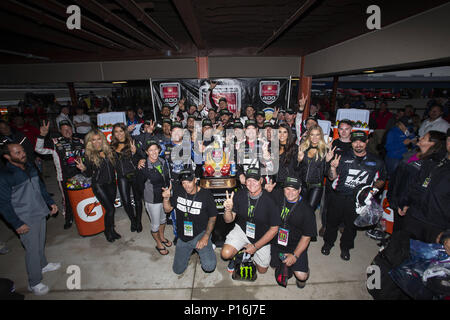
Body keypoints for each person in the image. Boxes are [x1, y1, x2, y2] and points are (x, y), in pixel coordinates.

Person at [0, 143, 59, 296]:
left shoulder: (29, 167)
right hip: (24, 217)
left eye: (23, 151)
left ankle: (43, 264)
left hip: (39, 210)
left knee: (40, 242)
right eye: (17, 152)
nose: (22, 154)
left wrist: (50, 202)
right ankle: (34, 282)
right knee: (32, 250)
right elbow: (3, 204)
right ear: (7, 156)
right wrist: (17, 223)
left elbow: (41, 187)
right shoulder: (5, 175)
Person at [322, 131, 386, 261]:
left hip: (357, 201)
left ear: (366, 142)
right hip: (339, 196)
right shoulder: (342, 157)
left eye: (361, 141)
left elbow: (381, 179)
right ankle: (328, 243)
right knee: (331, 223)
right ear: (351, 143)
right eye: (355, 141)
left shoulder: (376, 161)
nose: (358, 144)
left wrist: (372, 190)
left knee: (351, 226)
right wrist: (333, 168)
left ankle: (345, 248)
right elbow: (331, 177)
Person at [221, 168, 281, 276]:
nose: (251, 183)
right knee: (225, 253)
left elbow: (274, 229)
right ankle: (238, 256)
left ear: (261, 181)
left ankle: (250, 251)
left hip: (261, 235)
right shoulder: (240, 194)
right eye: (249, 180)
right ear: (245, 181)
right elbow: (228, 220)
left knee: (262, 271)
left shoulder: (270, 201)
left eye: (255, 180)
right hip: (243, 230)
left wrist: (256, 246)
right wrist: (228, 210)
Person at [162, 169, 218, 274]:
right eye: (184, 183)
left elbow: (213, 216)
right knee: (177, 270)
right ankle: (189, 250)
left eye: (189, 182)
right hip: (183, 235)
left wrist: (206, 237)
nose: (186, 186)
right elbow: (167, 209)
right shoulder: (178, 190)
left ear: (195, 180)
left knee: (209, 266)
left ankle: (207, 247)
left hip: (200, 234)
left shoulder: (206, 195)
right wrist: (166, 199)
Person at [35, 120, 84, 229]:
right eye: (64, 129)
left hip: (81, 175)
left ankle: (81, 215)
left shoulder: (80, 141)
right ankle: (68, 218)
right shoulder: (55, 142)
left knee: (81, 196)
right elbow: (38, 149)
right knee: (67, 199)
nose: (67, 131)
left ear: (72, 129)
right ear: (60, 131)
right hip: (64, 177)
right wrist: (42, 136)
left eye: (69, 129)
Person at [269, 176, 317, 288]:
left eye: (294, 190)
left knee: (301, 276)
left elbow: (307, 237)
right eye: (287, 189)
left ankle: (303, 271)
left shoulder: (307, 211)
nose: (290, 193)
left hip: (295, 245)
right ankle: (286, 265)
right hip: (277, 242)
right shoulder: (277, 195)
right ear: (283, 189)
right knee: (273, 266)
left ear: (299, 190)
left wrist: (295, 256)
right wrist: (266, 189)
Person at [75, 130, 118, 243]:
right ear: (90, 142)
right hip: (99, 185)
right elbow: (89, 174)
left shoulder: (108, 150)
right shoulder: (89, 155)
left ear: (102, 139)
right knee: (110, 209)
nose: (97, 142)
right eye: (93, 140)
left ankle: (112, 230)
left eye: (98, 139)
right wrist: (83, 169)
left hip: (112, 183)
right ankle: (108, 231)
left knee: (111, 209)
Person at [138, 140, 172, 255]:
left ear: (159, 150)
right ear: (147, 152)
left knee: (163, 220)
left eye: (155, 149)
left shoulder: (163, 161)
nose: (153, 152)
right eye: (150, 150)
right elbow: (139, 184)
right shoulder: (143, 166)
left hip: (164, 198)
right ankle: (158, 243)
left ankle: (162, 237)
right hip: (152, 200)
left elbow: (168, 178)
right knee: (155, 224)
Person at [111, 123, 144, 233]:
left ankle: (138, 221)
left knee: (137, 199)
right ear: (114, 134)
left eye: (121, 131)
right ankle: (133, 220)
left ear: (124, 131)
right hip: (122, 177)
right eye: (116, 131)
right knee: (125, 201)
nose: (119, 134)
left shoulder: (132, 141)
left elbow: (142, 156)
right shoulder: (112, 146)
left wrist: (135, 153)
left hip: (134, 174)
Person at [296, 125, 335, 211]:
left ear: (321, 136)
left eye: (317, 135)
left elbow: (326, 173)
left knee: (309, 210)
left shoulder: (325, 150)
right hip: (303, 185)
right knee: (300, 209)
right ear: (309, 135)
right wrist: (299, 160)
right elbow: (297, 170)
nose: (314, 137)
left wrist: (328, 161)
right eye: (312, 134)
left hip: (316, 186)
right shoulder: (303, 148)